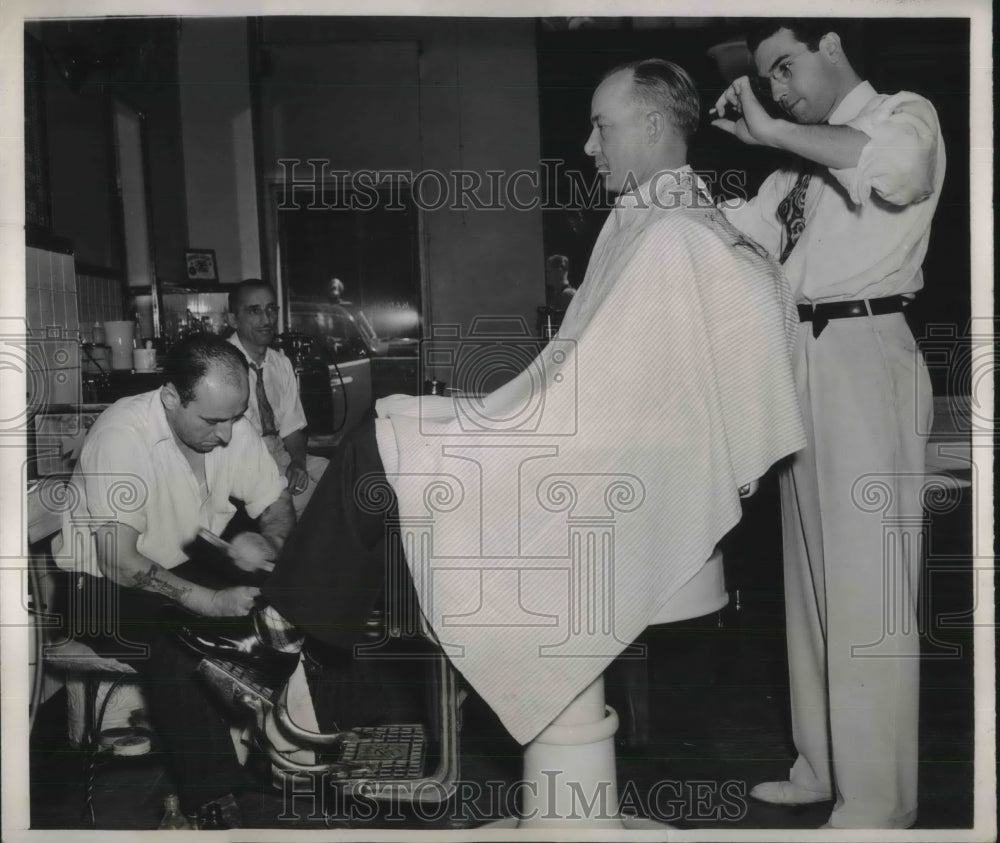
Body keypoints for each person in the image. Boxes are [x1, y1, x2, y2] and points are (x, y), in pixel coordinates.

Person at [180, 59, 805, 748]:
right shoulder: (664, 222)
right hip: (600, 448)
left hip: (606, 471)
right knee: (392, 423)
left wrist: (501, 422)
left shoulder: (673, 235)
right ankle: (296, 656)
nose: (590, 147)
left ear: (653, 124)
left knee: (376, 449)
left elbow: (616, 392)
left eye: (602, 127)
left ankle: (287, 645)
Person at [711, 18, 945, 829]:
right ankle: (823, 767)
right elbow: (740, 235)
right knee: (810, 583)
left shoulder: (905, 114)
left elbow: (903, 175)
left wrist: (778, 131)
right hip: (801, 354)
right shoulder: (798, 165)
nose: (779, 89)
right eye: (769, 78)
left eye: (786, 66)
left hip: (866, 345)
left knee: (867, 589)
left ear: (833, 44)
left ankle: (878, 801)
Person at [52, 334, 296, 827]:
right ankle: (214, 802)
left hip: (176, 561)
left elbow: (277, 504)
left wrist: (268, 540)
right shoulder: (122, 434)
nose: (228, 434)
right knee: (174, 635)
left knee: (287, 600)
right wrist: (207, 601)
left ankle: (296, 752)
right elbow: (120, 562)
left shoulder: (229, 421)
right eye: (212, 421)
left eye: (235, 417)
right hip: (96, 587)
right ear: (169, 398)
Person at [227, 279, 329, 516]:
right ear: (233, 319)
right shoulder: (222, 363)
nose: (267, 320)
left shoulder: (281, 363)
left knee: (335, 473)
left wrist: (298, 463)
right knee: (315, 501)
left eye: (271, 309)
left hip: (279, 453)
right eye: (255, 311)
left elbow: (292, 428)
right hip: (244, 462)